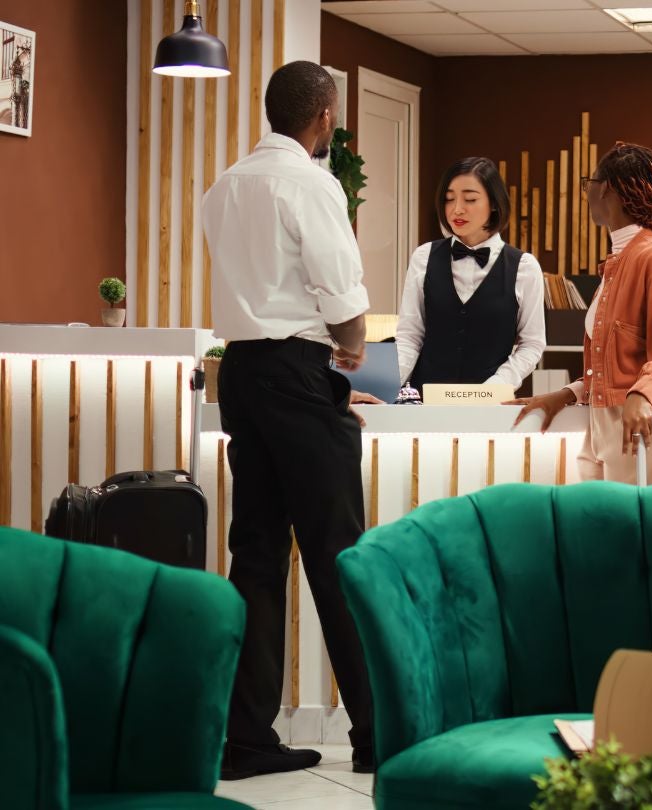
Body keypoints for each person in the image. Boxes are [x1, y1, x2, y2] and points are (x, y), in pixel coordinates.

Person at [202, 60, 375, 779]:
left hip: (240, 373)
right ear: (325, 117)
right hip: (301, 377)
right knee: (341, 557)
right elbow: (340, 288)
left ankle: (245, 736)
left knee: (258, 556)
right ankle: (379, 733)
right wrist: (355, 348)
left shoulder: (224, 186)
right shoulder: (312, 182)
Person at [510, 142, 652, 483]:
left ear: (607, 189)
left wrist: (643, 395)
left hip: (651, 429)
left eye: (590, 184)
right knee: (599, 534)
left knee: (650, 536)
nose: (587, 194)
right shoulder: (620, 262)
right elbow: (617, 361)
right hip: (606, 429)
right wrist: (568, 393)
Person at [395, 157, 545, 391]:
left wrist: (495, 387)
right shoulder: (423, 257)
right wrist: (389, 385)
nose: (457, 209)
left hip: (490, 406)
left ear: (494, 203)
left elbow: (532, 344)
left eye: (470, 199)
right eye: (449, 199)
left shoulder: (524, 268)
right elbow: (409, 336)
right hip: (425, 404)